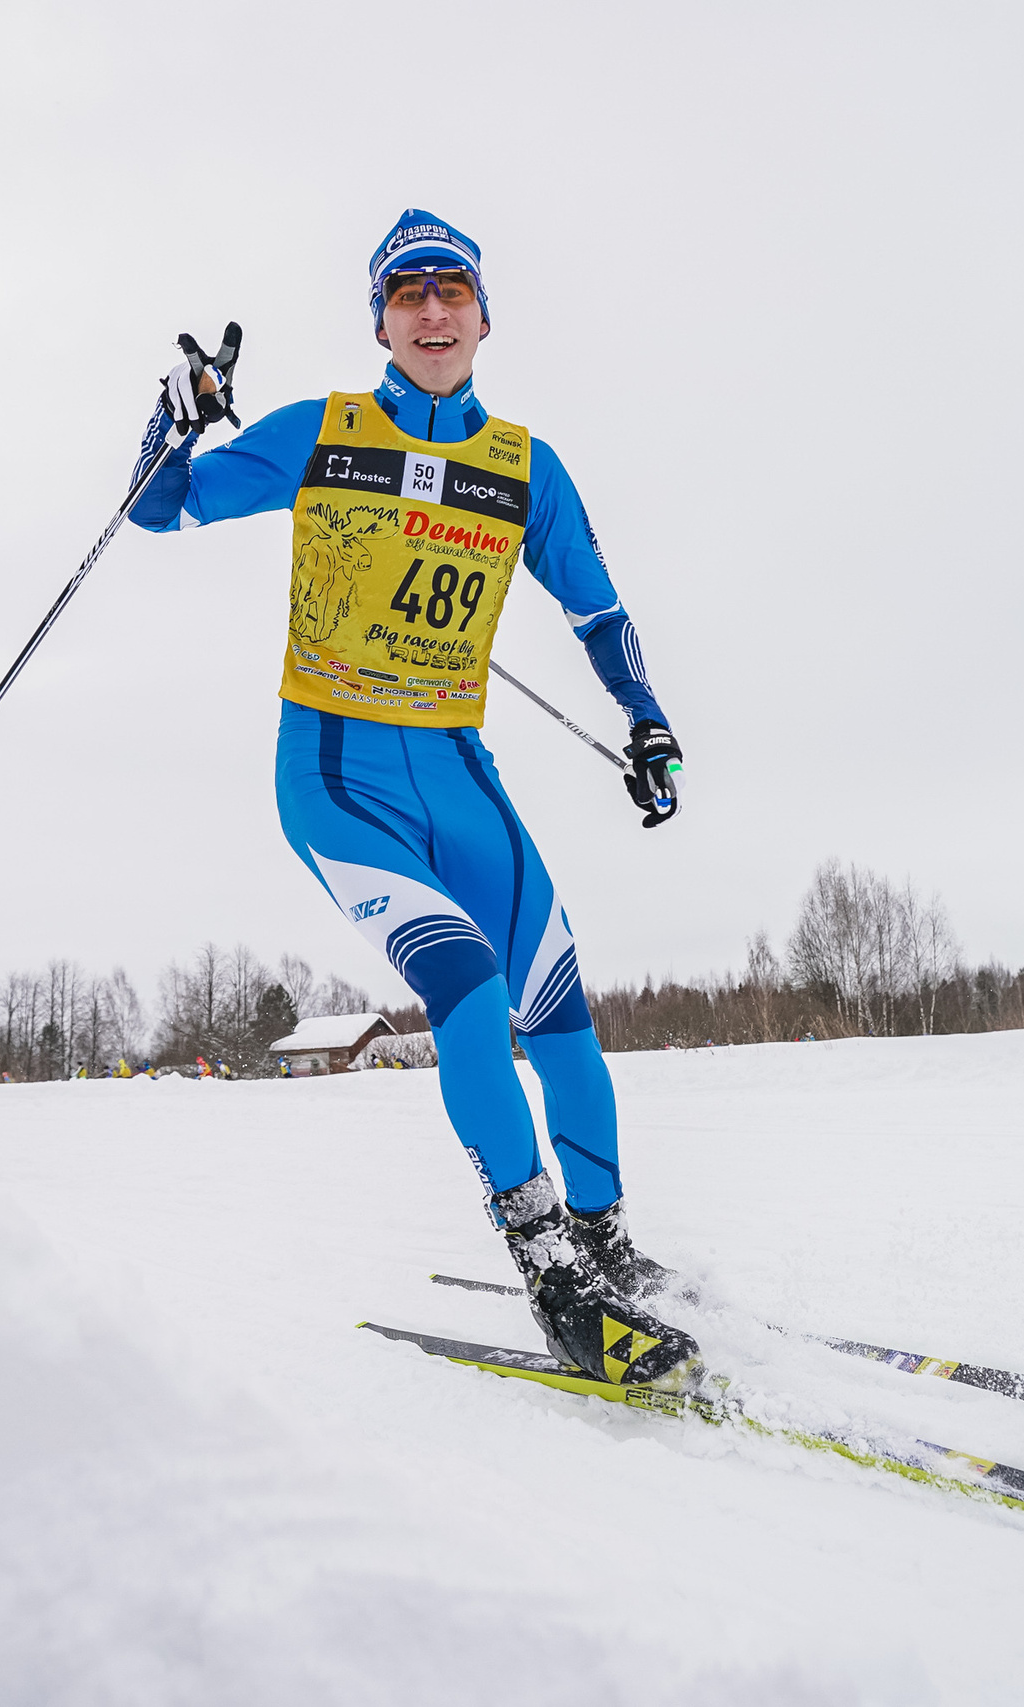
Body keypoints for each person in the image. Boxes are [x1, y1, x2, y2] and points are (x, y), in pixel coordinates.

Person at [128, 209, 695, 1390]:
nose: (432, 311)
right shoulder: (318, 433)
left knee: (562, 1014)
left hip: (459, 775)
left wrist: (646, 717)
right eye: (407, 294)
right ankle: (546, 1263)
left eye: (452, 291)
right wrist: (169, 425)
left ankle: (606, 1246)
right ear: (379, 321)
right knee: (467, 989)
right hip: (339, 775)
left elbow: (595, 607)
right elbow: (159, 508)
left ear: (485, 316)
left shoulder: (525, 468)